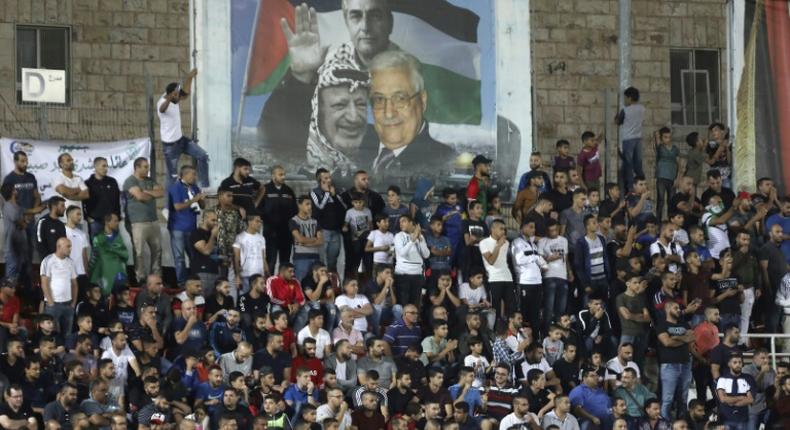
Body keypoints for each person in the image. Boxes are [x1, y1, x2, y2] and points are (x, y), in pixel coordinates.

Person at [359, 50, 457, 176]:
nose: (389, 113)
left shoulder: (443, 160)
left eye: (400, 98)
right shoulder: (355, 147)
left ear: (422, 101)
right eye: (379, 99)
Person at [158, 68, 209, 188]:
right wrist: (171, 98)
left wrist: (190, 77)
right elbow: (162, 109)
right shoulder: (162, 103)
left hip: (181, 140)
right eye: (176, 95)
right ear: (170, 95)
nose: (179, 98)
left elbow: (185, 93)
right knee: (172, 177)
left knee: (202, 156)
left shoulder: (173, 96)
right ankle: (169, 205)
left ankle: (204, 185)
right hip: (170, 147)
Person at [123, 157, 164, 283]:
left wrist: (146, 191)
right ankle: (140, 278)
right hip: (137, 222)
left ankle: (156, 278)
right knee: (139, 252)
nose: (147, 169)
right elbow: (140, 197)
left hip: (153, 221)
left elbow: (161, 192)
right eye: (145, 167)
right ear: (137, 167)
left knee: (157, 251)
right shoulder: (130, 181)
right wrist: (150, 193)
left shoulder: (150, 180)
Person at [167, 165, 206, 287]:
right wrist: (194, 200)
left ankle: (196, 282)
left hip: (191, 228)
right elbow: (177, 206)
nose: (195, 177)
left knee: (194, 256)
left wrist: (201, 199)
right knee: (179, 258)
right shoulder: (175, 187)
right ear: (185, 174)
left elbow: (203, 206)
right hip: (178, 228)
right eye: (193, 174)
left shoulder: (194, 187)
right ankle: (182, 283)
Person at [656, 301, 694, 419]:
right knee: (667, 398)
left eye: (679, 308)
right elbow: (667, 342)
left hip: (686, 364)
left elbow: (692, 337)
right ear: (667, 309)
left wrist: (676, 338)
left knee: (683, 397)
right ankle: (664, 425)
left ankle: (681, 423)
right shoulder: (662, 325)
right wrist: (684, 338)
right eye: (675, 308)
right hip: (669, 365)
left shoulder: (685, 325)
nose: (679, 310)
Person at [259, 166, 298, 272]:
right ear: (273, 176)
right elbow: (258, 209)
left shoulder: (289, 191)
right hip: (270, 233)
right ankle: (268, 286)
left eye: (284, 174)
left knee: (285, 263)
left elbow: (295, 211)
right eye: (280, 174)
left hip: (286, 233)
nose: (283, 177)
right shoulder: (264, 190)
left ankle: (283, 287)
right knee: (270, 262)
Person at [310, 169, 346, 275]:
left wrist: (334, 196)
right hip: (323, 231)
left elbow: (344, 208)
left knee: (332, 261)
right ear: (319, 180)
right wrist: (326, 193)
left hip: (336, 231)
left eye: (330, 178)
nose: (329, 180)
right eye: (326, 178)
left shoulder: (336, 191)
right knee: (321, 261)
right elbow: (319, 207)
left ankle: (333, 285)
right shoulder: (314, 192)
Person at [41, 237, 78, 336]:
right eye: (68, 246)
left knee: (67, 334)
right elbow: (44, 283)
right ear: (59, 246)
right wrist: (51, 302)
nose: (70, 249)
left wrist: (73, 303)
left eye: (70, 246)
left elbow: (74, 284)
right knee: (52, 334)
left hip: (68, 304)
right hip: (53, 305)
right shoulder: (48, 260)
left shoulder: (71, 262)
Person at [88, 213, 128, 297]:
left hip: (118, 274)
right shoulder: (98, 238)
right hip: (103, 273)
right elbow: (96, 255)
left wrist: (111, 250)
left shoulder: (118, 237)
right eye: (115, 221)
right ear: (107, 222)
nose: (118, 223)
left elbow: (125, 253)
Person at [615, 86, 645, 192]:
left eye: (625, 98)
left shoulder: (625, 110)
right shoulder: (642, 108)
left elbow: (618, 122)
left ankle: (631, 187)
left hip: (628, 139)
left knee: (628, 164)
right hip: (638, 139)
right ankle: (642, 183)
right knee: (638, 164)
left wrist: (617, 115)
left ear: (630, 98)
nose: (625, 100)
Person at [83, 157, 121, 238]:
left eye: (107, 166)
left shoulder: (112, 181)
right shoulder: (88, 183)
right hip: (95, 222)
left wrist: (118, 216)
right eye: (103, 166)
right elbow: (82, 202)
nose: (106, 169)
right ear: (96, 167)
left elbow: (117, 200)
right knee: (97, 248)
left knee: (114, 248)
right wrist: (87, 217)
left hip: (112, 221)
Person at [232, 213, 268, 298]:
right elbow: (236, 258)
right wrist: (237, 276)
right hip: (245, 275)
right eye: (257, 221)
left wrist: (267, 274)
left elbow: (263, 258)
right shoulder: (240, 237)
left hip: (259, 275)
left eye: (260, 222)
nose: (259, 224)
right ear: (249, 222)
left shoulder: (261, 238)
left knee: (258, 299)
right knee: (244, 299)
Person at [716, 354, 754, 430]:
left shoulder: (748, 378)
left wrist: (731, 402)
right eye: (735, 362)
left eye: (740, 362)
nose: (738, 365)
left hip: (742, 419)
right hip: (726, 418)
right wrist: (741, 397)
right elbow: (722, 399)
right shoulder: (722, 379)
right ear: (729, 364)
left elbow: (750, 399)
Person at [290, 196, 324, 282]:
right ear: (300, 205)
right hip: (301, 257)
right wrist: (314, 239)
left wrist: (307, 242)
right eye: (307, 204)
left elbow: (321, 241)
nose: (310, 207)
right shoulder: (294, 221)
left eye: (310, 204)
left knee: (316, 283)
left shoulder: (315, 221)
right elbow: (300, 239)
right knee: (301, 283)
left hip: (315, 257)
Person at [190, 209, 220, 296]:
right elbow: (206, 251)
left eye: (217, 220)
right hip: (202, 273)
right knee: (201, 302)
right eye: (213, 220)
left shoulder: (214, 233)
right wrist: (213, 235)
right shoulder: (197, 233)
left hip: (215, 271)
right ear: (205, 218)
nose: (215, 223)